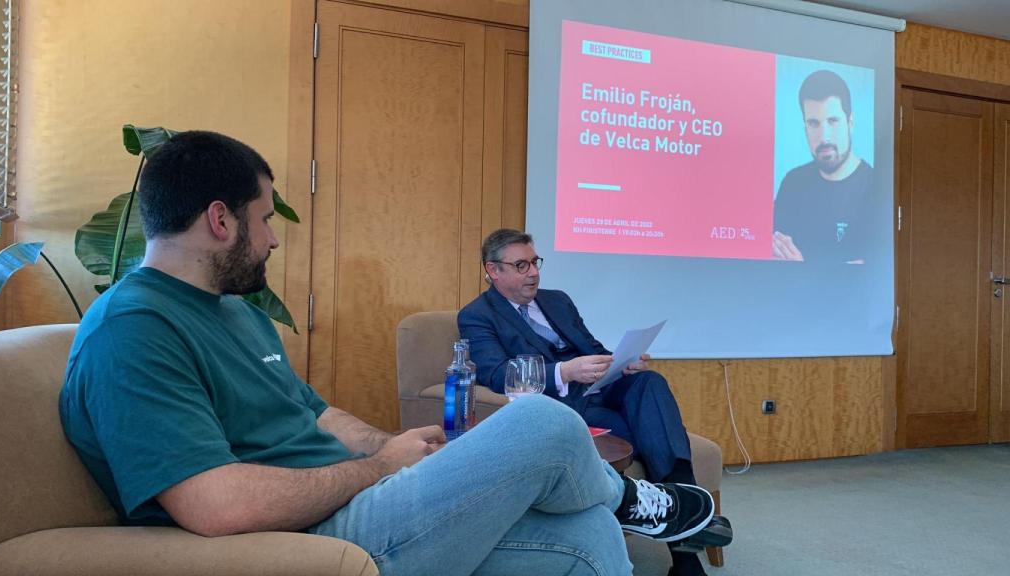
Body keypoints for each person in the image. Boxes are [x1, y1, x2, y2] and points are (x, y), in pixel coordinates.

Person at [59, 131, 721, 576]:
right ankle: (629, 498)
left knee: (587, 540)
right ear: (220, 221)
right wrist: (379, 469)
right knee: (545, 422)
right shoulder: (134, 330)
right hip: (307, 537)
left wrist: (397, 446)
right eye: (264, 219)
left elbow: (314, 415)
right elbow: (216, 507)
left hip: (357, 499)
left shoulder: (235, 313)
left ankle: (615, 509)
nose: (272, 240)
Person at [458, 228, 732, 576]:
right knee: (647, 429)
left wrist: (620, 361)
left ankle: (683, 511)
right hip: (562, 402)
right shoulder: (477, 315)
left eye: (535, 262)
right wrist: (565, 371)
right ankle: (687, 548)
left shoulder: (557, 300)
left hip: (600, 385)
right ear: (493, 270)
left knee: (648, 381)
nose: (534, 273)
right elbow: (496, 374)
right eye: (522, 265)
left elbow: (592, 348)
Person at [773, 68, 877, 264]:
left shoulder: (876, 188)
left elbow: (863, 274)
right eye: (814, 123)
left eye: (833, 121)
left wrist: (803, 268)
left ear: (850, 123)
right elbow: (777, 260)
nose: (824, 136)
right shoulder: (793, 183)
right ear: (805, 129)